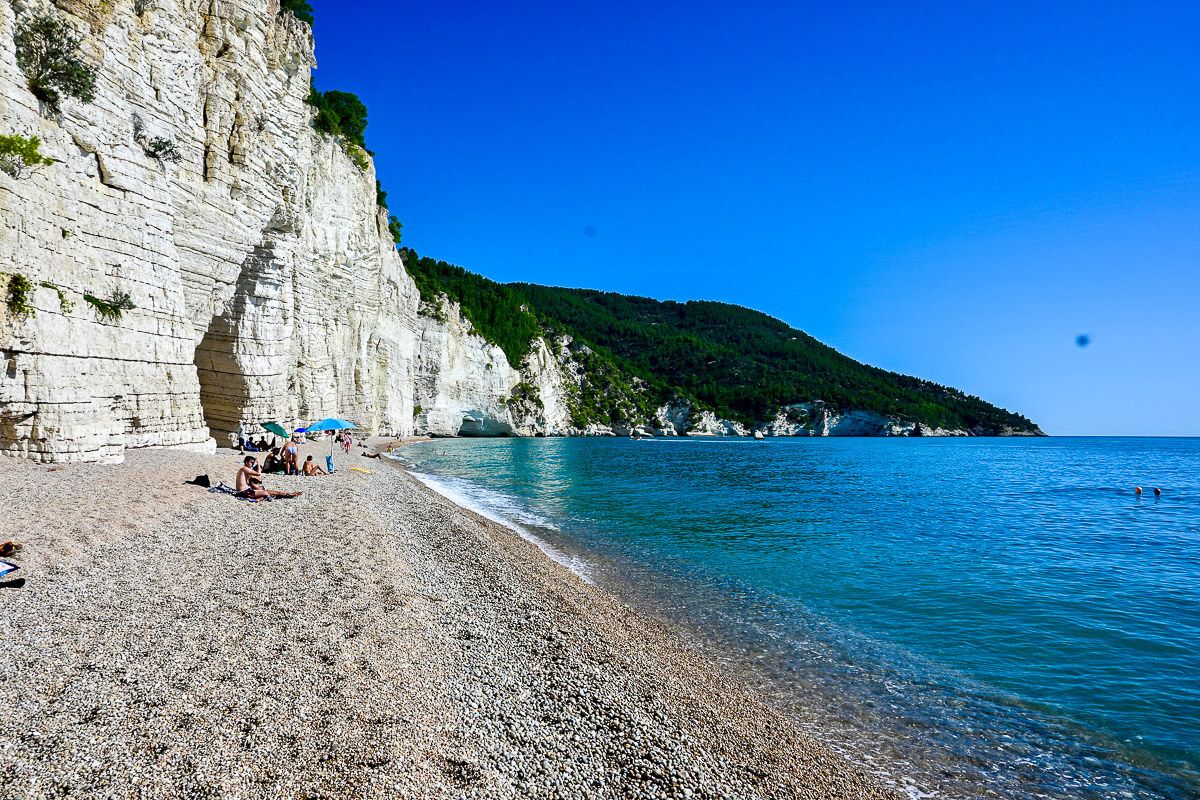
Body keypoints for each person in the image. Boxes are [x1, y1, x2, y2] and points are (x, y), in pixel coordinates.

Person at [235, 456, 300, 500]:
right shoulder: (244, 468)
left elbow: (257, 477)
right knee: (266, 492)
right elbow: (258, 473)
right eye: (251, 463)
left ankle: (287, 494)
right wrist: (258, 463)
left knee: (269, 491)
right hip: (243, 492)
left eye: (253, 463)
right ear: (246, 462)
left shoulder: (244, 471)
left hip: (245, 491)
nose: (252, 464)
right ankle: (261, 498)